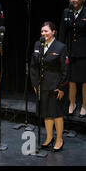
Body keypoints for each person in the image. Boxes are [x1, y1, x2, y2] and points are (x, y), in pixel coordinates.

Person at [58, 0, 86, 118]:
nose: (73, 1)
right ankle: (72, 104)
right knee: (72, 80)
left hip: (85, 52)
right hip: (71, 51)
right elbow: (62, 33)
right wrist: (59, 51)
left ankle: (84, 106)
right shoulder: (66, 12)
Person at [30, 22, 69, 152]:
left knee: (56, 113)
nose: (43, 34)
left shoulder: (60, 47)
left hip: (55, 86)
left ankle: (59, 139)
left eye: (46, 31)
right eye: (42, 31)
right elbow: (33, 66)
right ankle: (49, 138)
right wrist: (35, 84)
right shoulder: (38, 44)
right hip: (41, 85)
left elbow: (65, 69)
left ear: (53, 32)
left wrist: (62, 87)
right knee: (46, 112)